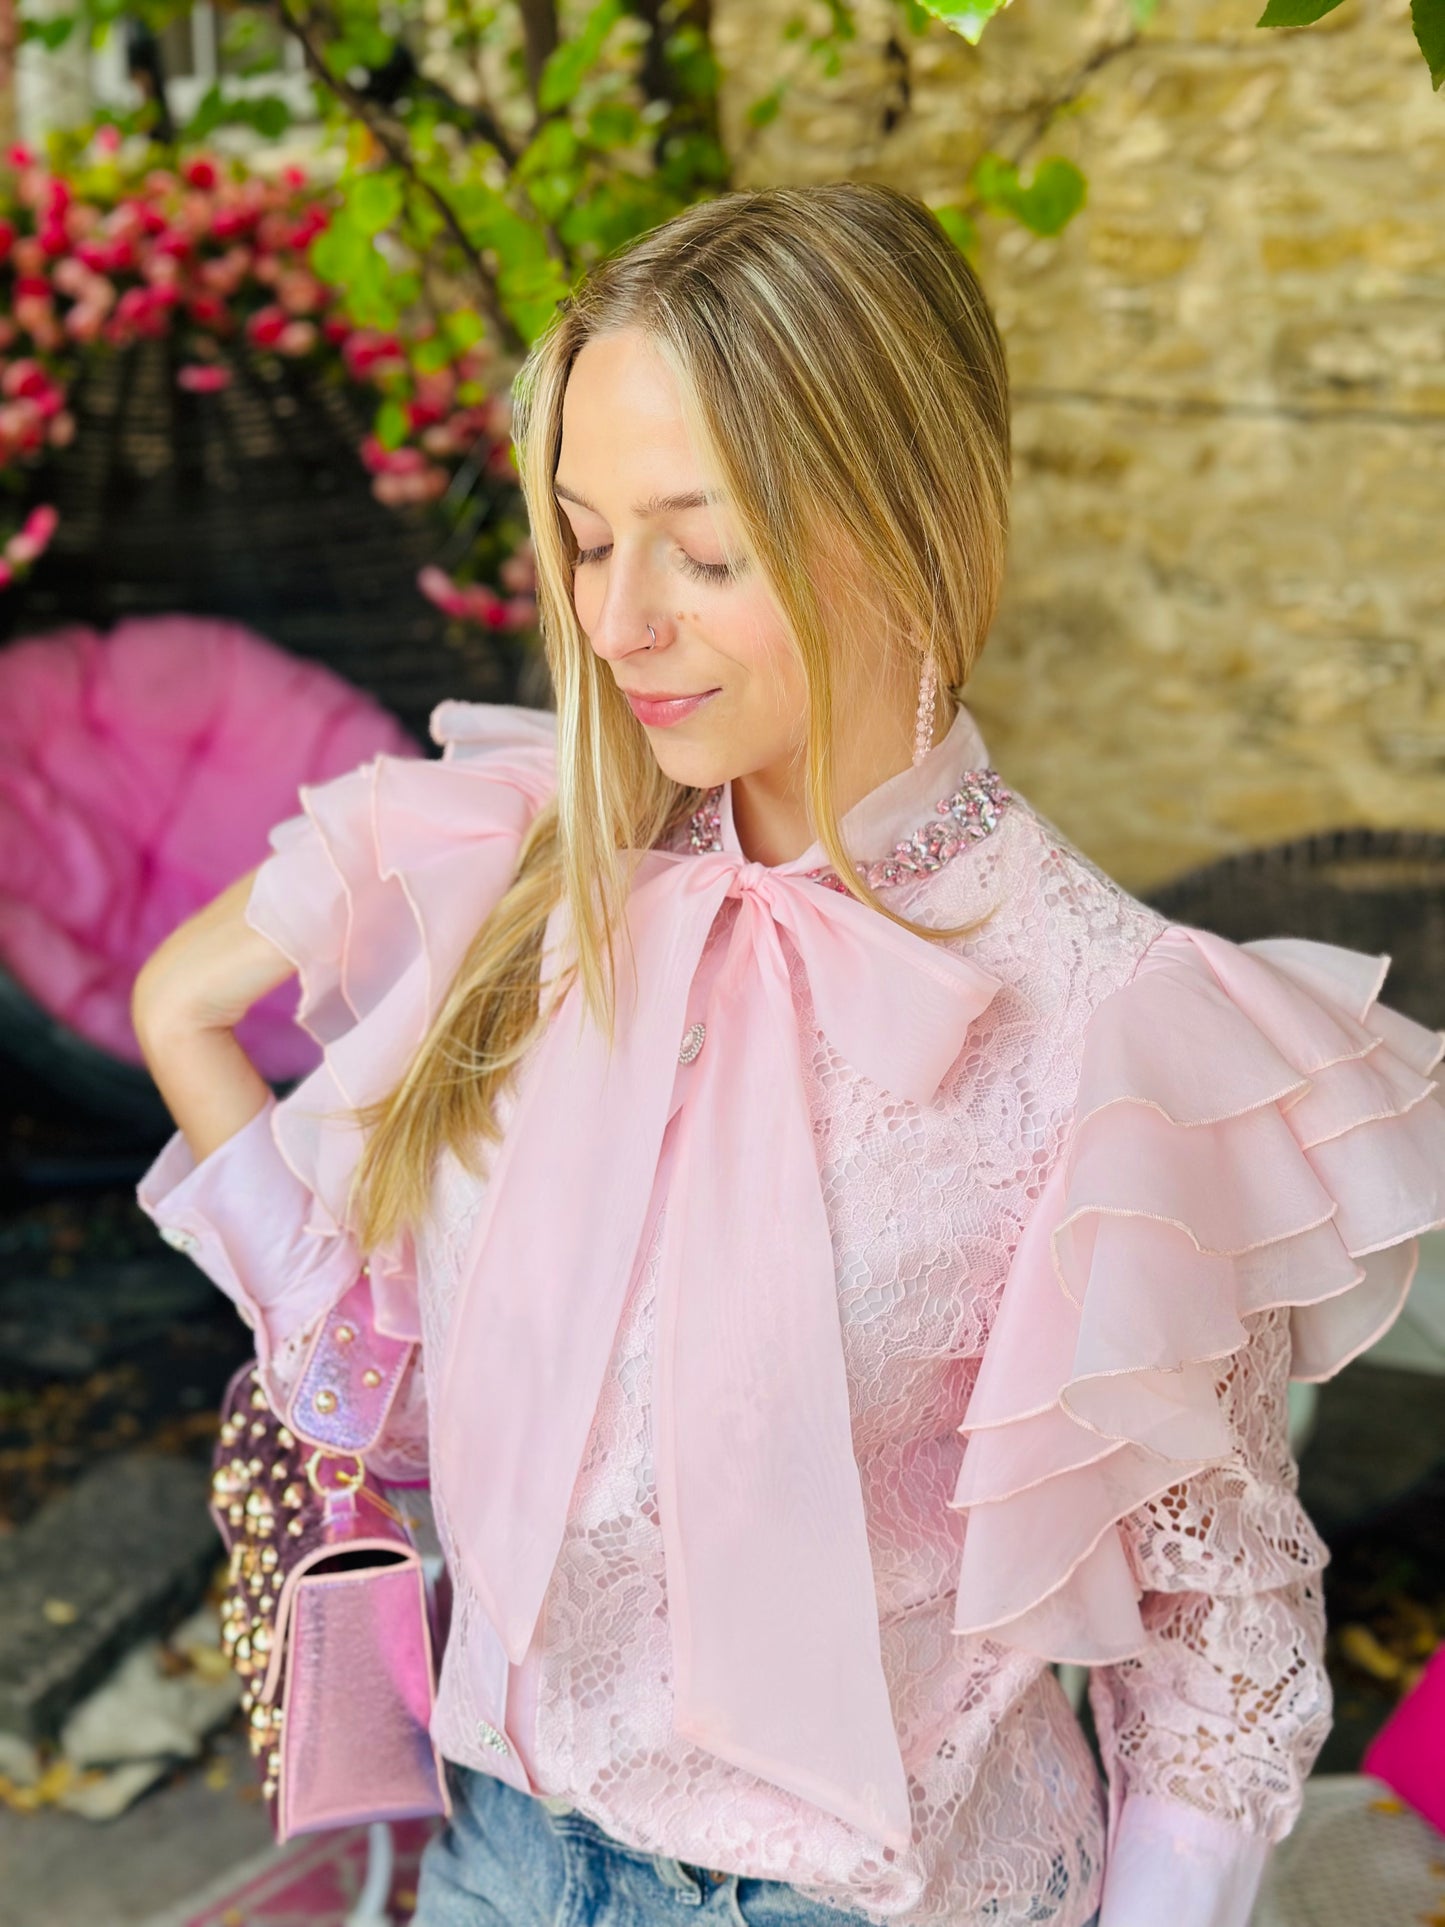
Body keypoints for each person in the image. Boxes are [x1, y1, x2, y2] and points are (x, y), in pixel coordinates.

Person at [131, 181, 1445, 1927]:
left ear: (902, 527)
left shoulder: (1107, 1028)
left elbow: (1210, 1668)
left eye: (702, 550)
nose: (618, 622)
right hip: (500, 1862)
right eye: (585, 538)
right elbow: (423, 1414)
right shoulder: (538, 882)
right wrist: (186, 1044)